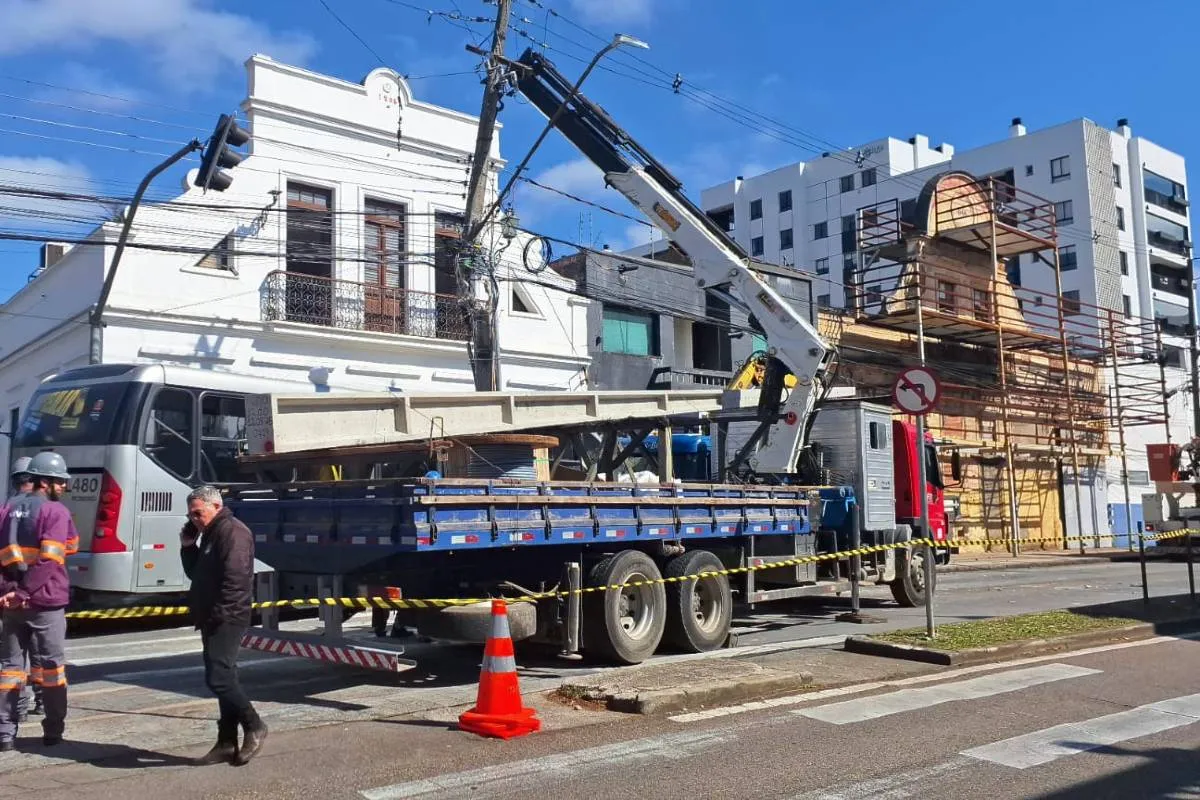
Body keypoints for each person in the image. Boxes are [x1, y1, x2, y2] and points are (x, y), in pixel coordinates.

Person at [180, 485, 267, 766]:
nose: (194, 519)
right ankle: (226, 742)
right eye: (191, 515)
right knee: (225, 676)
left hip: (227, 616)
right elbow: (196, 573)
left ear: (216, 507)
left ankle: (254, 725)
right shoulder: (211, 533)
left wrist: (221, 614)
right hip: (212, 615)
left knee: (218, 678)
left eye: (198, 513)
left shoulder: (233, 532)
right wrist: (187, 546)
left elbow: (237, 580)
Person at [0, 451, 76, 750]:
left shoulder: (6, 510)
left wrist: (8, 592)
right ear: (45, 481)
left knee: (8, 670)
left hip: (13, 606)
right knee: (52, 668)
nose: (65, 488)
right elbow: (51, 561)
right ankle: (53, 731)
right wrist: (23, 593)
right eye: (60, 482)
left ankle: (5, 733)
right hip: (45, 603)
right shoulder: (55, 512)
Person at [4, 458, 42, 723]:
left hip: (9, 593)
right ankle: (42, 702)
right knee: (42, 653)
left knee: (12, 661)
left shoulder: (5, 508)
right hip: (39, 593)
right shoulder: (47, 508)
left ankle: (16, 711)